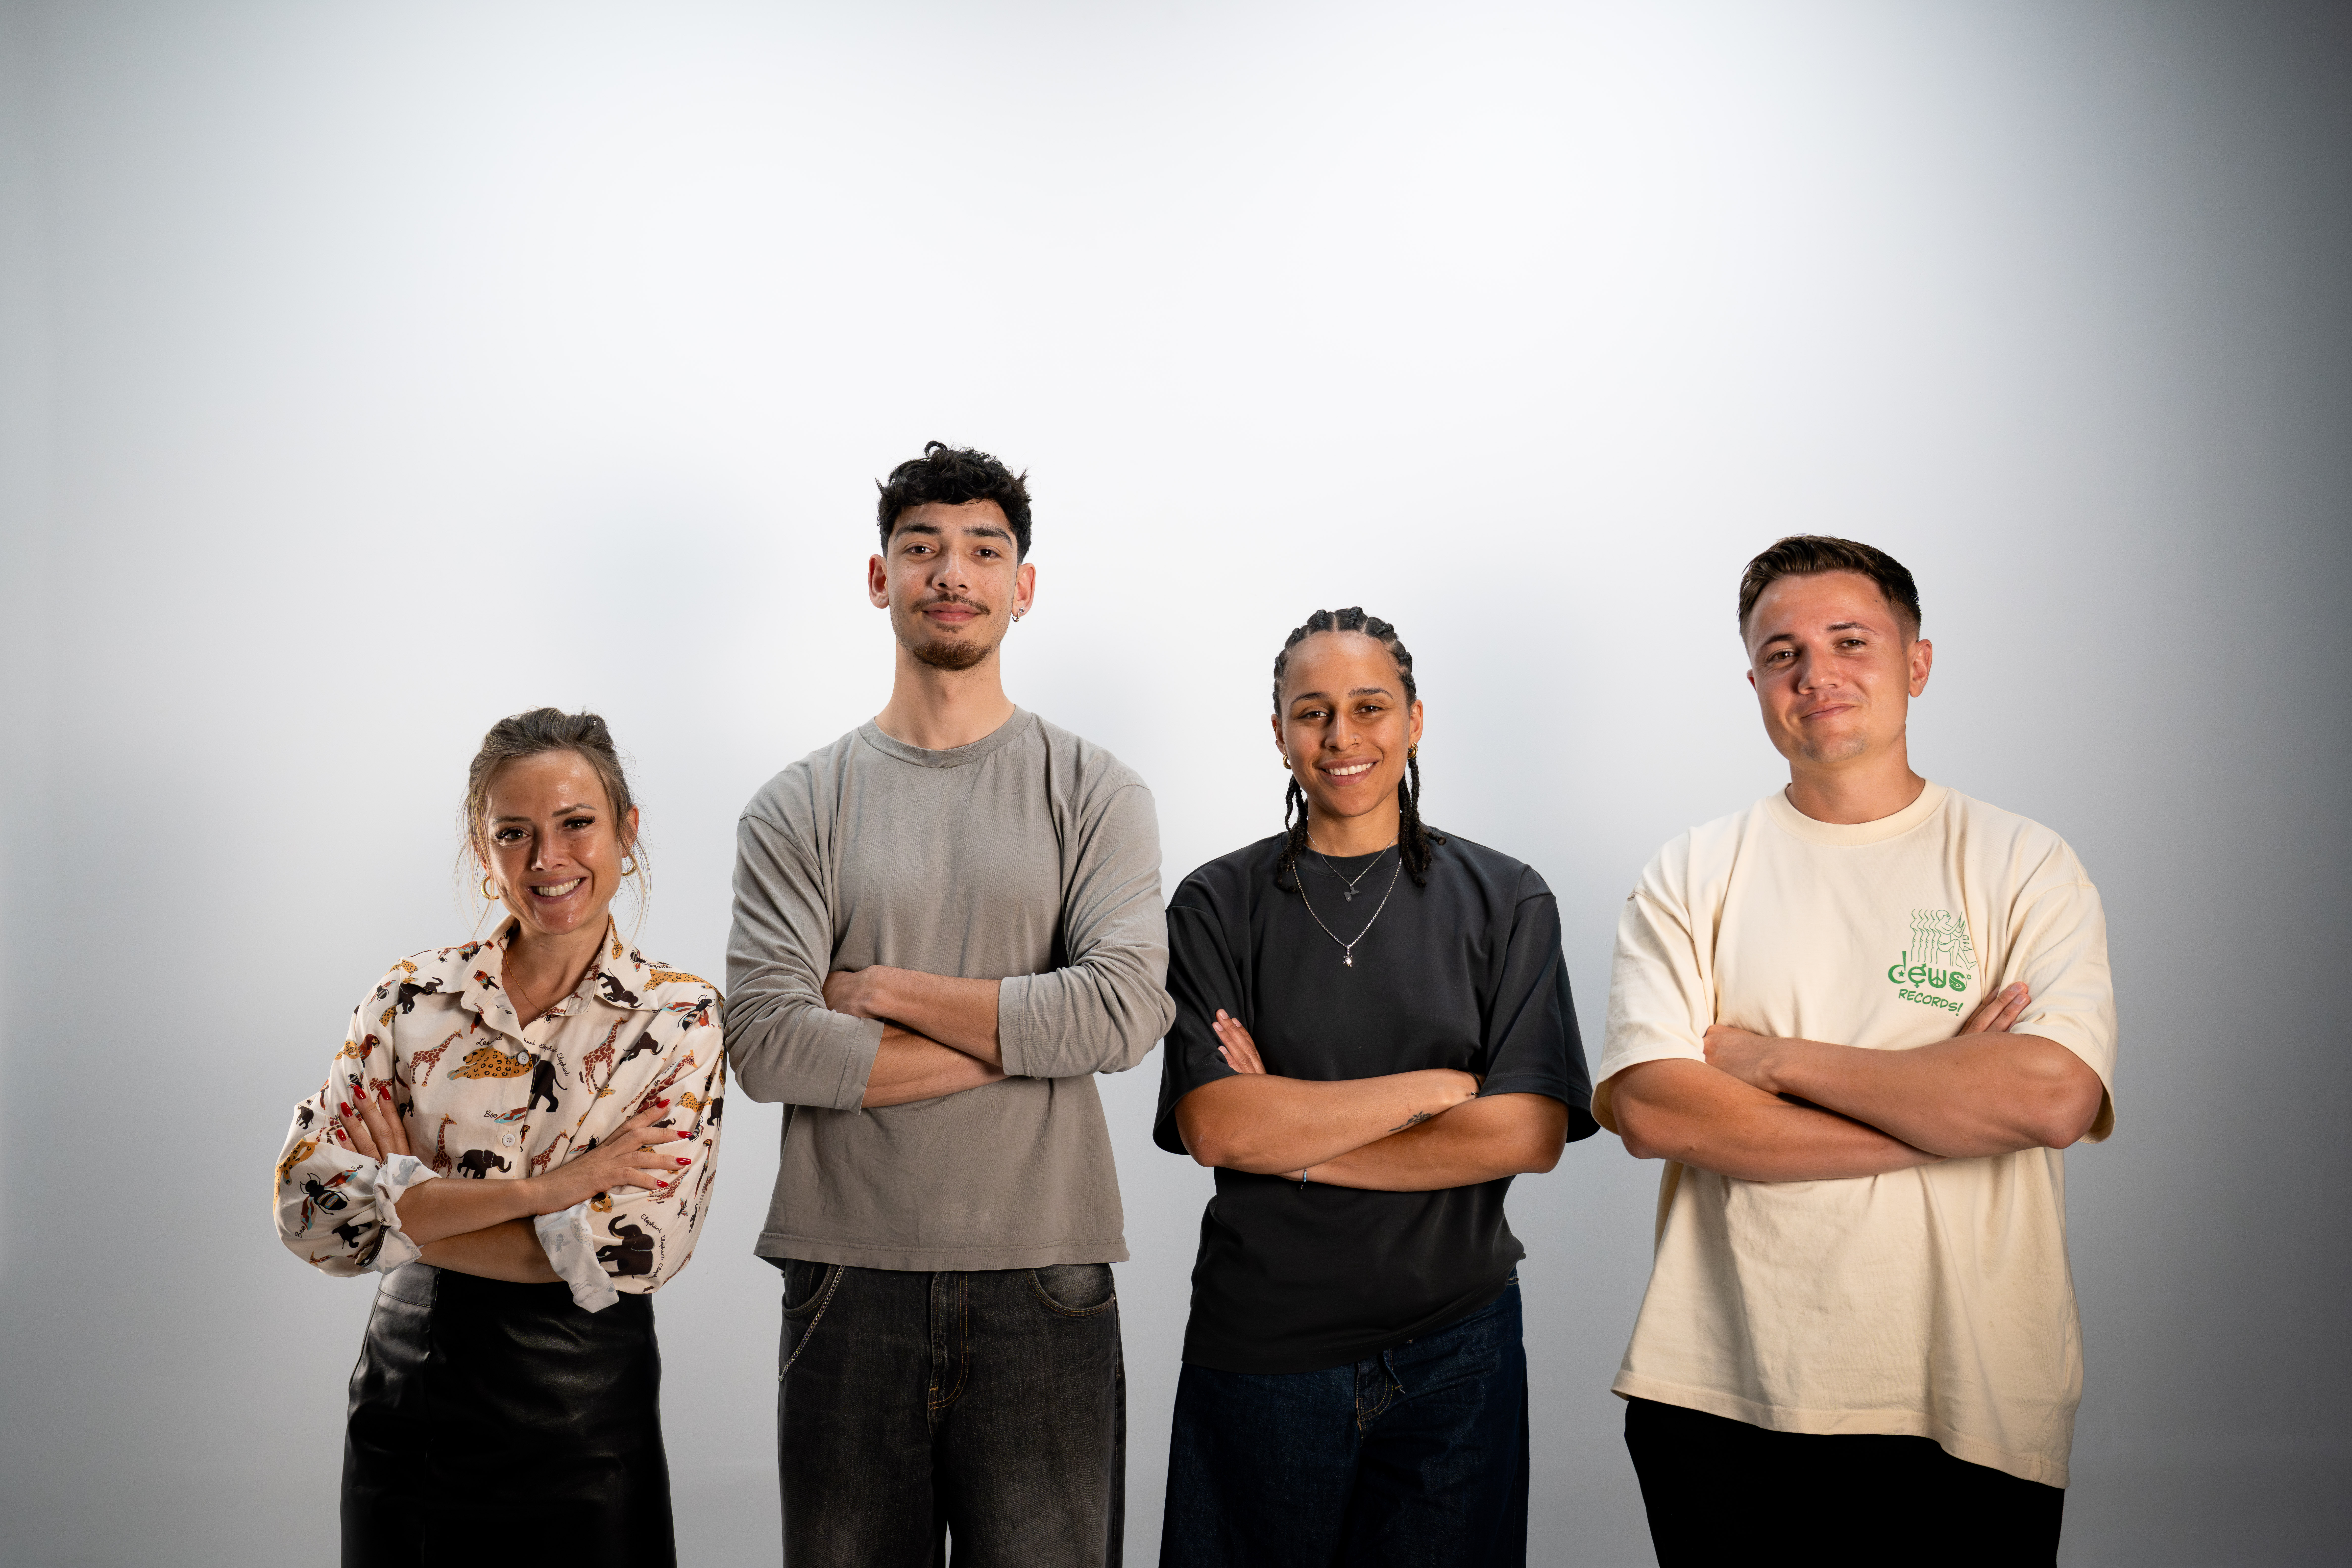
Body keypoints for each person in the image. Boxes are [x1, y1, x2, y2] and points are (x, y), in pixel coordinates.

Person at [1594, 537, 2117, 1567]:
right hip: (1722, 1390)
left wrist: (1773, 1060)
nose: (1816, 674)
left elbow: (2052, 1097)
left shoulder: (2024, 864)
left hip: (1971, 1390)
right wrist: (1944, 1110)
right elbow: (1658, 1113)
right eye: (1782, 653)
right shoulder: (1693, 871)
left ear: (1917, 663)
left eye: (1849, 641)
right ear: (1755, 685)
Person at [724, 441, 1176, 1568]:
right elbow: (770, 1044)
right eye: (921, 548)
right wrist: (1029, 1038)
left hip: (1047, 1272)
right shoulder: (797, 806)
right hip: (844, 1273)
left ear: (1024, 587)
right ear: (879, 578)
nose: (951, 573)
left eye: (984, 550)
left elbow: (1124, 1012)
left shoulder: (1097, 790)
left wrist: (882, 993)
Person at [1152, 606, 1596, 1568]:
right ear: (1278, 732)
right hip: (1263, 1344)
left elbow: (1525, 1135)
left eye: (1369, 706)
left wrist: (1301, 1142)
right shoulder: (1214, 905)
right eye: (1312, 712)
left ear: (1416, 718)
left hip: (1458, 1345)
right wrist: (1434, 1087)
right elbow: (1222, 1130)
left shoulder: (1506, 896)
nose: (1342, 737)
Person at [272, 708, 726, 1568]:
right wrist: (550, 1192)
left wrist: (404, 1197)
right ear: (485, 855)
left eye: (576, 825)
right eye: (514, 833)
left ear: (627, 833)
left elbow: (637, 1254)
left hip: (583, 1413)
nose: (547, 860)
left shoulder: (679, 1019)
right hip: (406, 1403)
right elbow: (312, 1217)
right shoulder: (409, 1001)